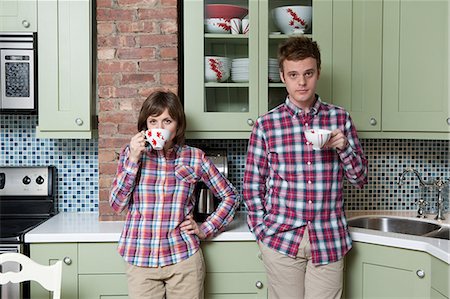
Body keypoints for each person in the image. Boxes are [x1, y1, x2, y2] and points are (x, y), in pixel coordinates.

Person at [243, 36, 368, 299]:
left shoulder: (340, 118)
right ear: (282, 76)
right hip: (281, 240)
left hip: (329, 239)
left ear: (318, 73)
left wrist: (344, 147)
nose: (301, 82)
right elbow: (252, 186)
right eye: (294, 74)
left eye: (308, 73)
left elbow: (360, 179)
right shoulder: (266, 125)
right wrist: (261, 232)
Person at [109, 90, 240, 299]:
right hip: (140, 259)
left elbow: (231, 197)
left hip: (183, 259)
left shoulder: (194, 157)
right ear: (145, 126)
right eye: (153, 121)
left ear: (178, 125)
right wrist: (133, 159)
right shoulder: (130, 154)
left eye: (167, 121)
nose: (159, 128)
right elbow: (116, 205)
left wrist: (206, 228)